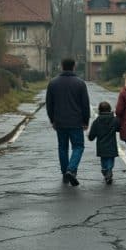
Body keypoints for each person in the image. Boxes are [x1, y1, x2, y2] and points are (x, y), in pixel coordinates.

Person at [45, 57, 90, 186]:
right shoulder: (80, 83)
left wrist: (52, 119)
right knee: (78, 146)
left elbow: (49, 104)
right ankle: (71, 169)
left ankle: (65, 172)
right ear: (74, 66)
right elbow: (85, 104)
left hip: (59, 121)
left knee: (62, 147)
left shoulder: (53, 83)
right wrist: (85, 121)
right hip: (76, 121)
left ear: (61, 66)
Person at [87, 101, 121, 185]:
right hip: (112, 145)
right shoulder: (114, 120)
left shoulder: (96, 122)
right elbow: (119, 128)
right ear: (109, 109)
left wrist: (90, 136)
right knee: (110, 159)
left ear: (99, 110)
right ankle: (109, 171)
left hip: (101, 146)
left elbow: (92, 136)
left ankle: (105, 170)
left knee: (104, 159)